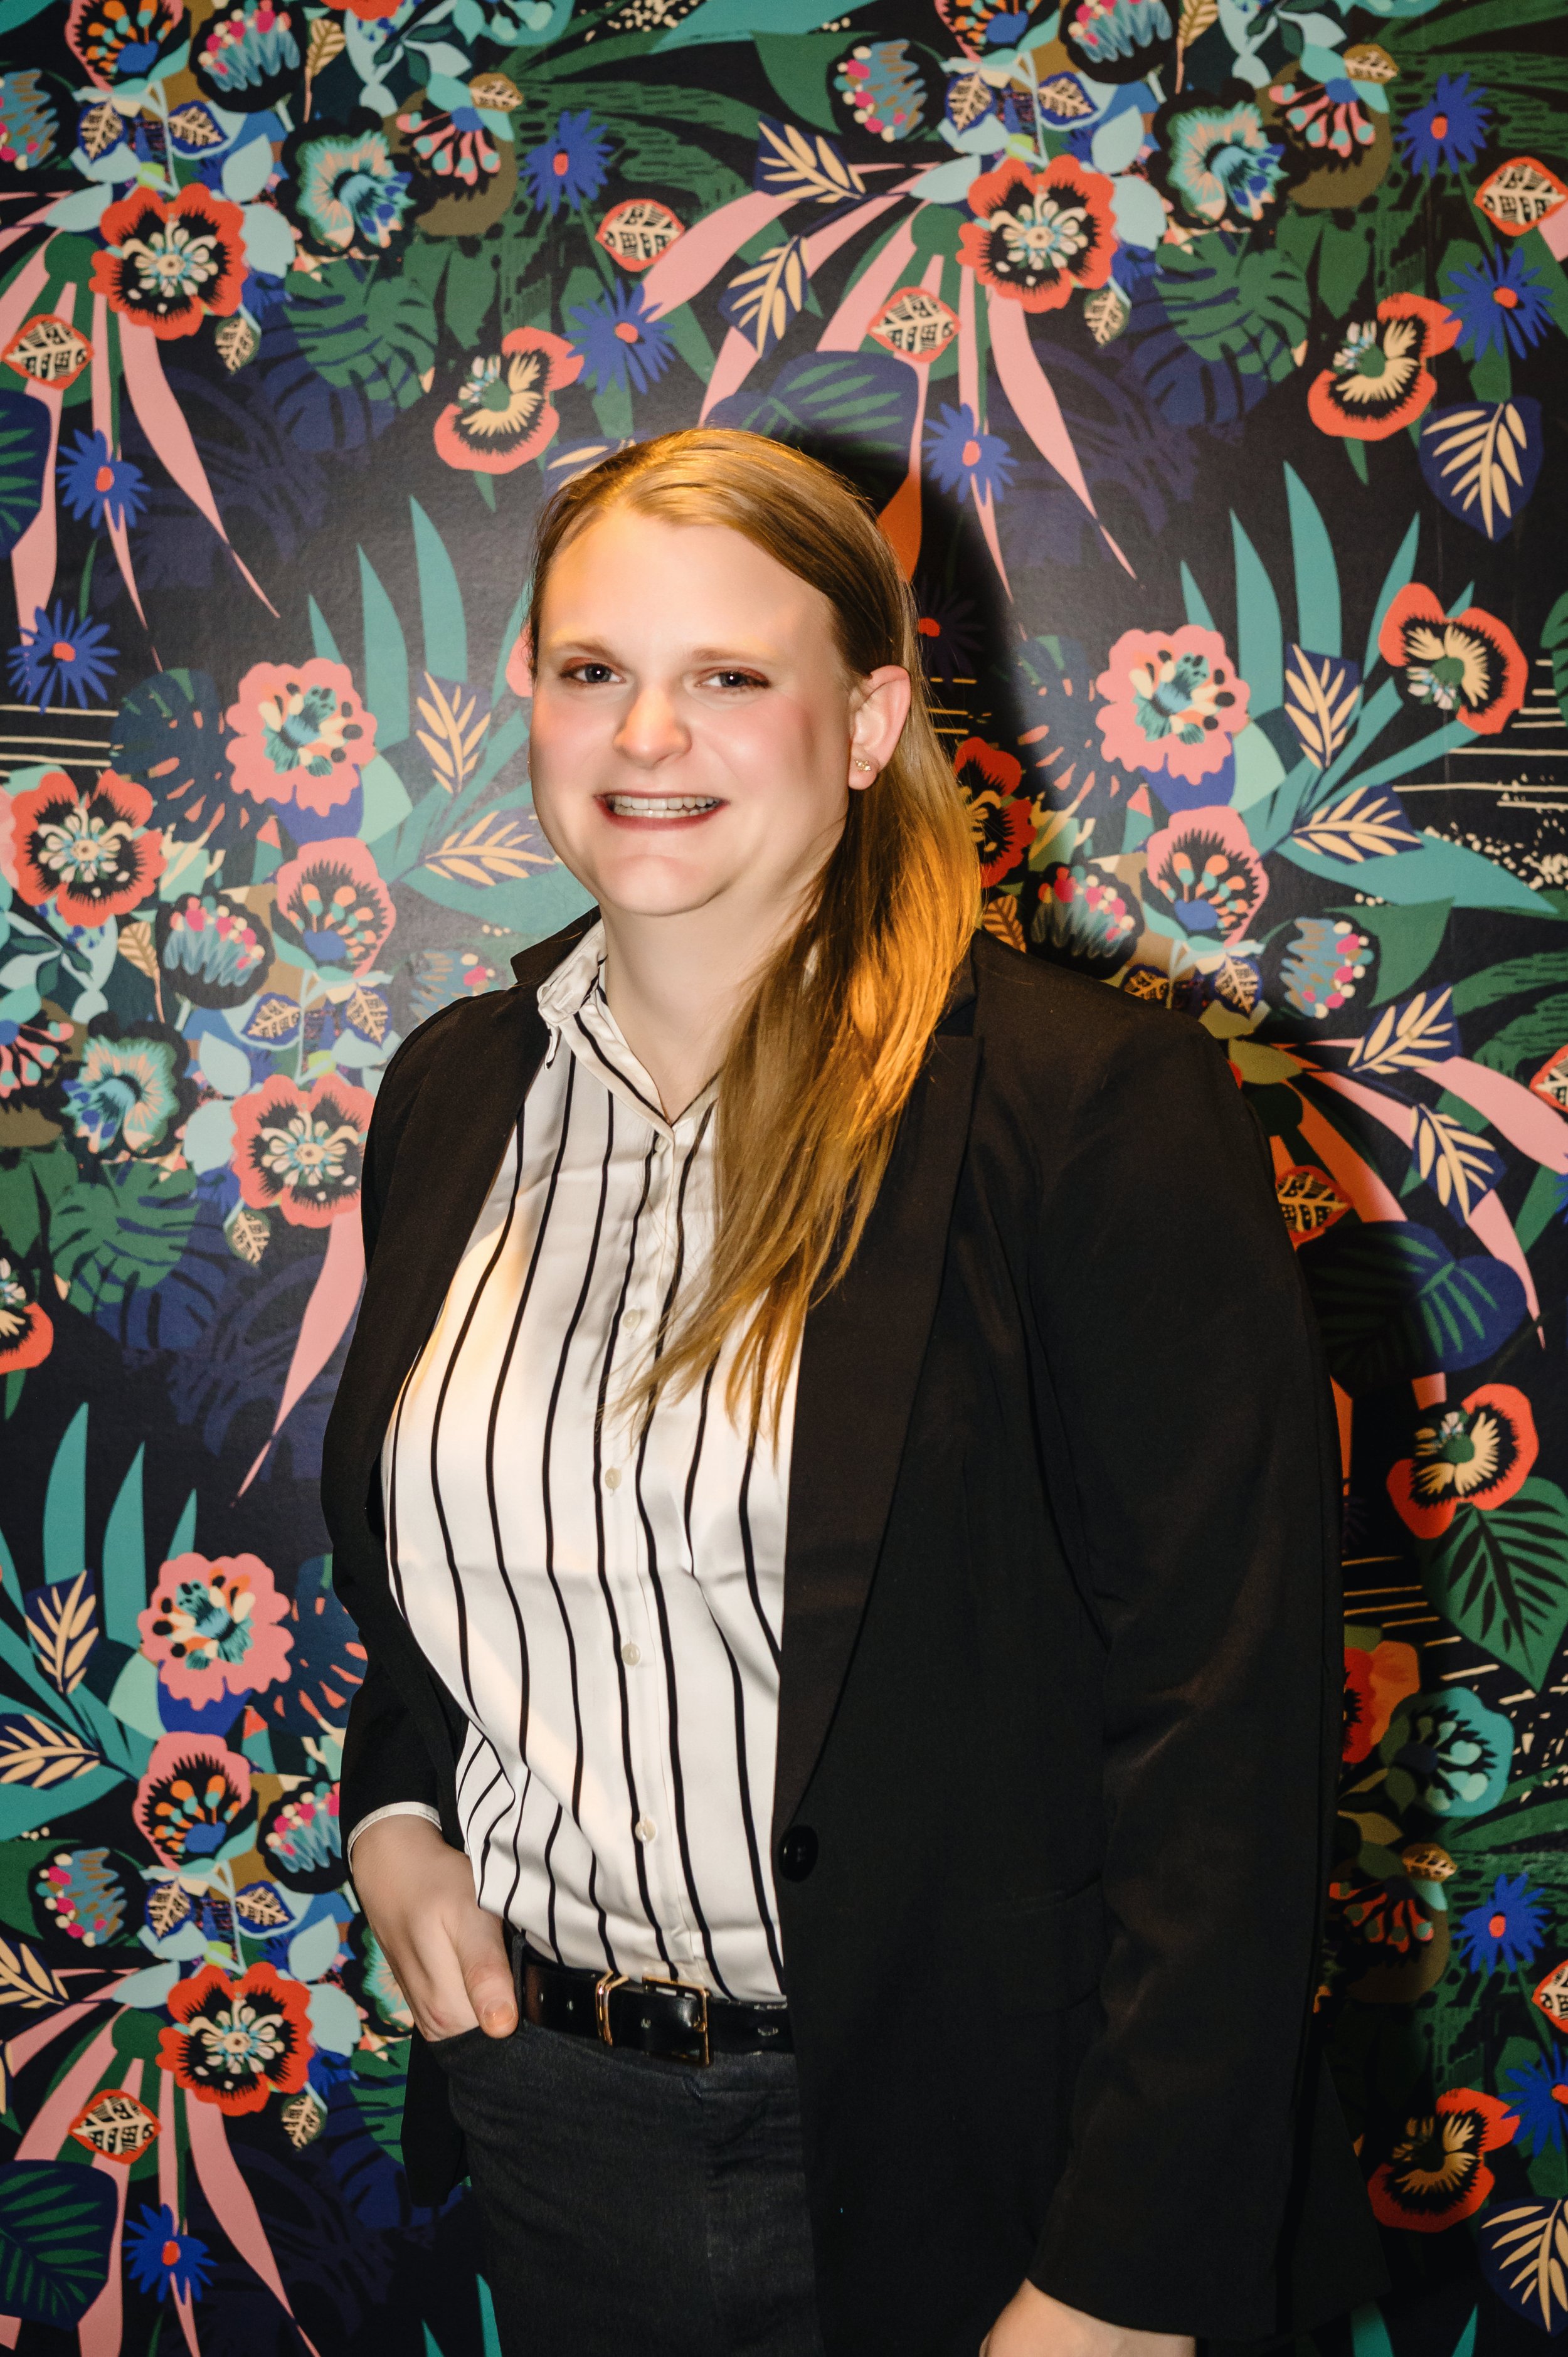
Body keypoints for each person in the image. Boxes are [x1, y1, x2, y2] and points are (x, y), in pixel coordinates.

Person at [320, 428, 1385, 2357]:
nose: (649, 734)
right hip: (557, 2123)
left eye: (730, 674)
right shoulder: (452, 1094)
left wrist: (1121, 2275)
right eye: (593, 669)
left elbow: (1222, 1731)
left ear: (869, 720)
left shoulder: (1086, 1106)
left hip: (985, 2158)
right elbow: (439, 1572)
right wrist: (397, 1813)